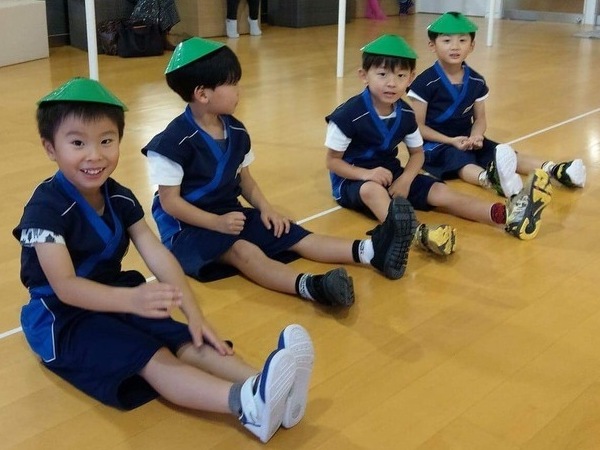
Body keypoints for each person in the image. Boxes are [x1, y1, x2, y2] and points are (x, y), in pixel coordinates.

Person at [13, 77, 316, 444]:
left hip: (115, 296)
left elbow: (156, 252)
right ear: (50, 148)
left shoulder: (119, 197)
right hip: (62, 317)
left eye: (106, 141)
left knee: (185, 337)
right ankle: (246, 404)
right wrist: (131, 299)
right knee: (152, 356)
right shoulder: (44, 210)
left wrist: (195, 315)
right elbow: (66, 287)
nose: (95, 155)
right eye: (78, 143)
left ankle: (268, 385)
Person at [142, 37, 418, 310]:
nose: (239, 91)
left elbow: (245, 181)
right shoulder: (171, 143)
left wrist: (267, 209)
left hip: (228, 215)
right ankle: (312, 286)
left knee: (293, 233)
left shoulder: (236, 130)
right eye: (233, 84)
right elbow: (170, 203)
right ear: (203, 94)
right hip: (186, 231)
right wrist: (215, 223)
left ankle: (373, 251)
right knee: (243, 250)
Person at [324, 34, 553, 245]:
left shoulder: (406, 114)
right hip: (352, 180)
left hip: (392, 174)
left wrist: (406, 179)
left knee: (441, 191)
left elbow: (417, 154)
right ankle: (417, 234)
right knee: (372, 191)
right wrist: (366, 175)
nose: (392, 83)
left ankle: (507, 215)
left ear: (411, 78)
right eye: (382, 74)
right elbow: (332, 161)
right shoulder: (347, 115)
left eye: (401, 76)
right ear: (364, 76)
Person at [407, 12, 586, 197]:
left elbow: (480, 118)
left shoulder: (476, 80)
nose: (455, 46)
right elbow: (418, 127)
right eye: (446, 41)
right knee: (460, 161)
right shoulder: (424, 83)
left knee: (502, 153)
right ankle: (490, 180)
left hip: (466, 139)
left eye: (462, 40)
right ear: (432, 45)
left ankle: (557, 170)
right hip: (434, 145)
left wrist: (476, 136)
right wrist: (451, 141)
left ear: (472, 45)